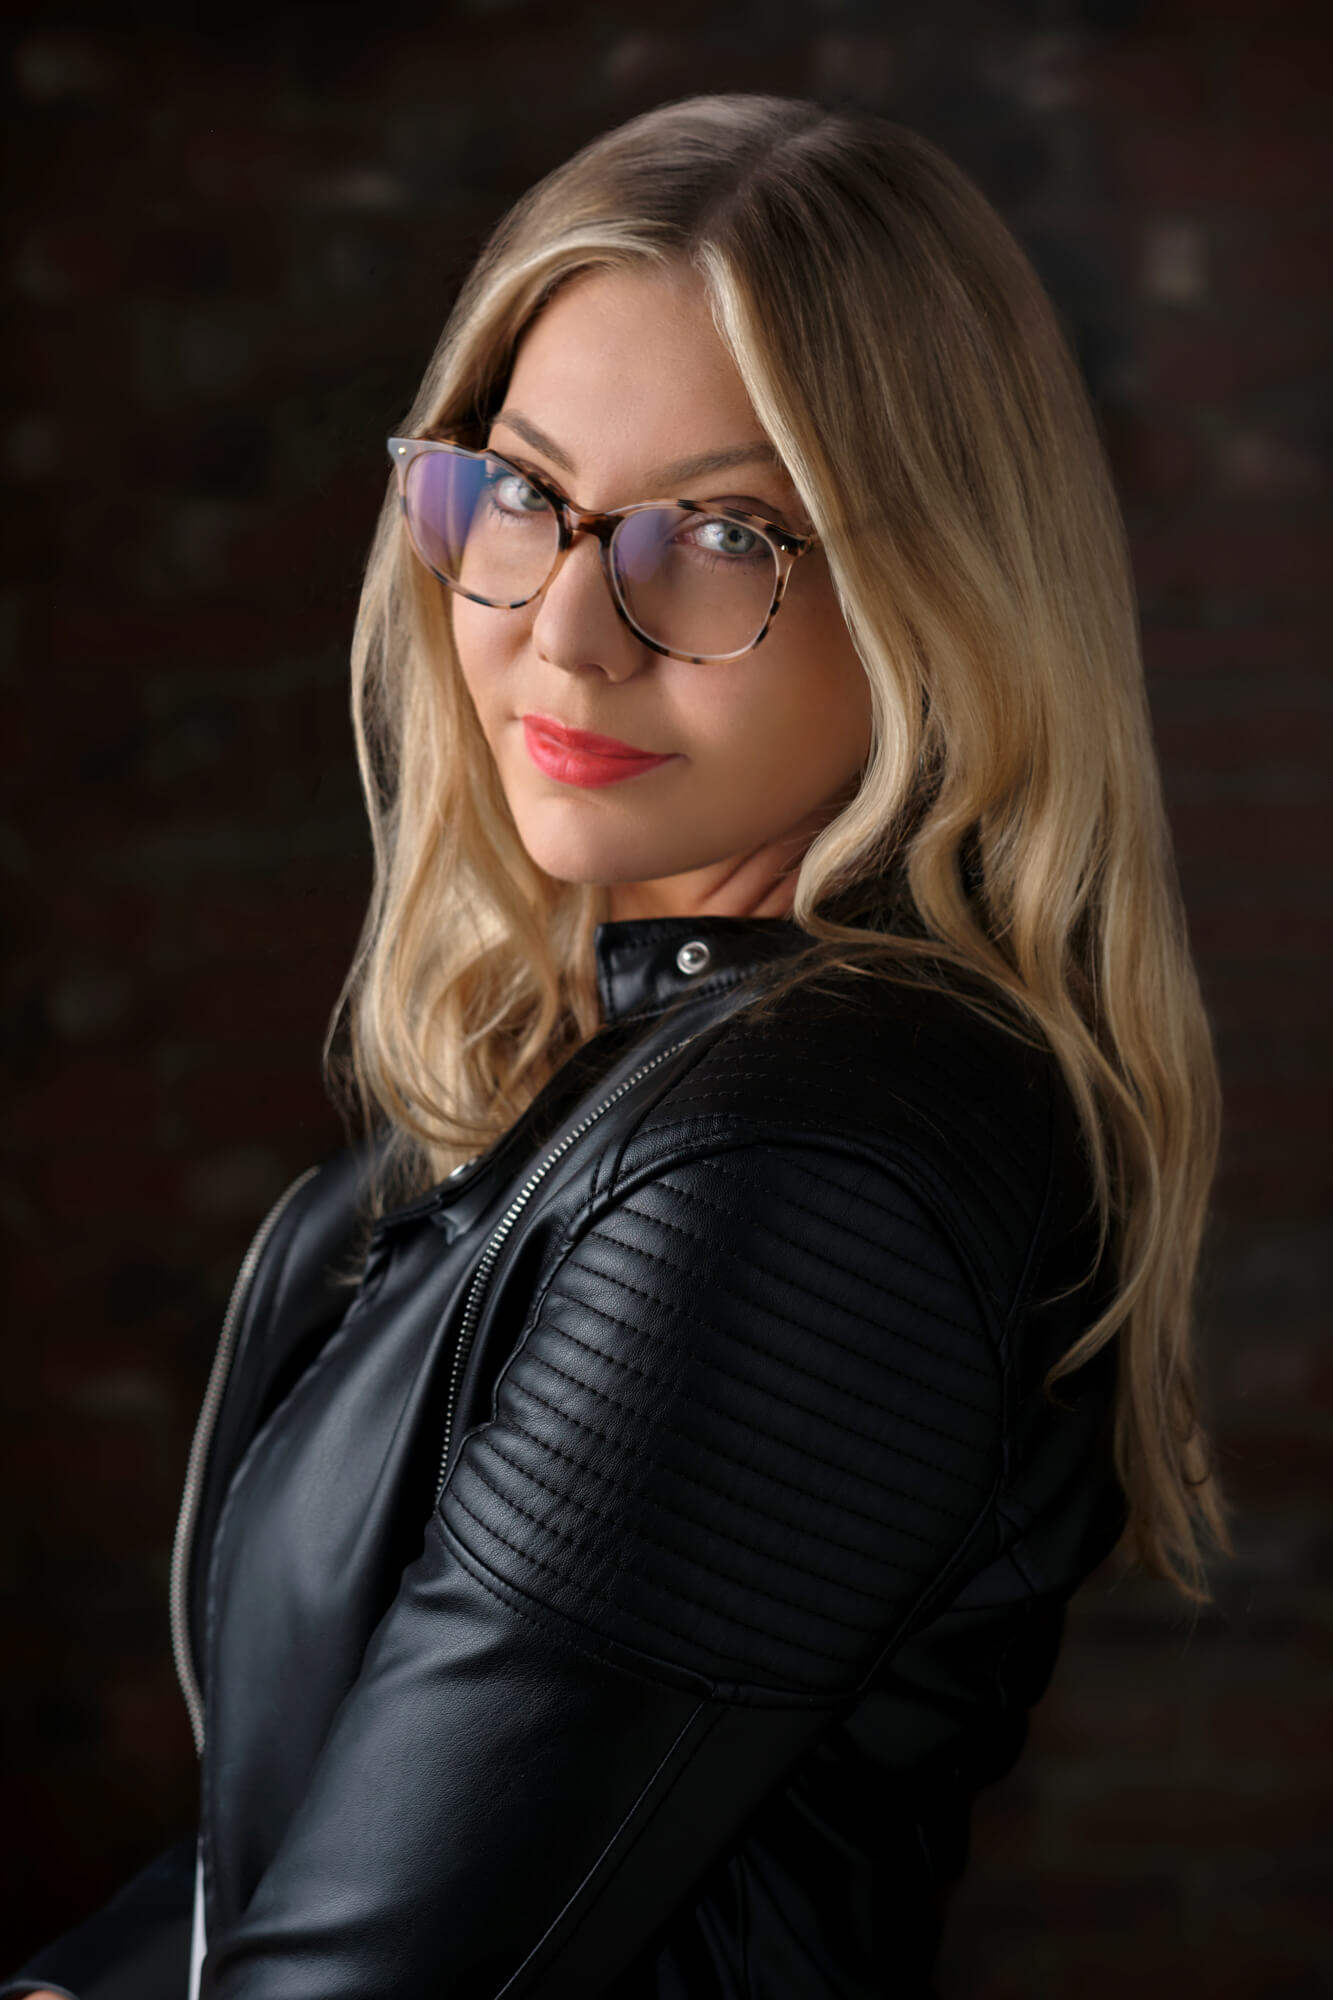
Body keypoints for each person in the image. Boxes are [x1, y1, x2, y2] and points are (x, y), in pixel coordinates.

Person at [4, 90, 1231, 2000]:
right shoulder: (652, 1060)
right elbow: (285, 1858)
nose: (568, 629)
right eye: (522, 494)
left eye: (723, 533)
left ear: (942, 597)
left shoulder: (804, 1172)